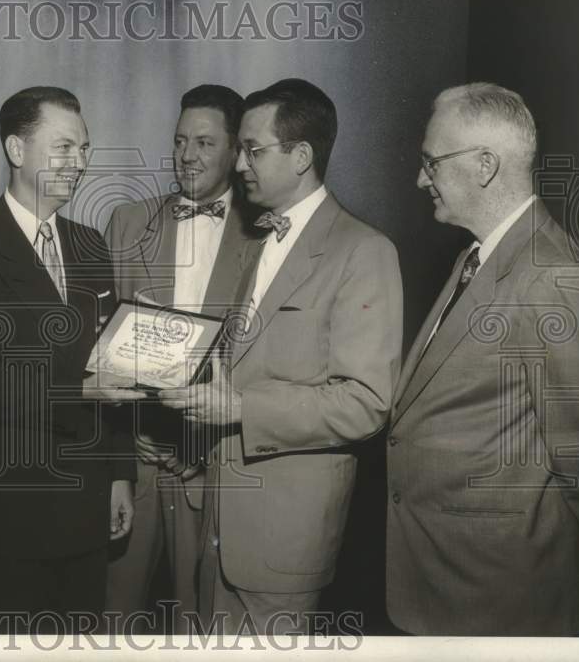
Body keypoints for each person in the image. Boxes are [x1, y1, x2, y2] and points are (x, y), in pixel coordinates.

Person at [159, 78, 403, 635]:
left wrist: (242, 410)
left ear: (301, 157)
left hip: (282, 543)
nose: (239, 164)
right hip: (220, 529)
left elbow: (366, 403)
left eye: (253, 149)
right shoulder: (261, 240)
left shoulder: (363, 252)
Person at [0, 86, 137, 632]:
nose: (80, 164)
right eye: (64, 148)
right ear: (16, 151)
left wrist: (120, 477)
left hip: (87, 511)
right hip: (6, 519)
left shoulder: (91, 247)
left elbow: (112, 365)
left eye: (85, 149)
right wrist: (77, 388)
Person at [386, 83, 579, 636]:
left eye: (431, 162)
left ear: (484, 165)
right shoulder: (478, 255)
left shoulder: (553, 277)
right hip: (441, 581)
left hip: (499, 601)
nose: (419, 179)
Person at [104, 84, 256, 629]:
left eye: (204, 142)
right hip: (134, 466)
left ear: (238, 151)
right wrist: (129, 434)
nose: (187, 155)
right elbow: (106, 352)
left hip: (213, 466)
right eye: (179, 140)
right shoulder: (125, 222)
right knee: (111, 616)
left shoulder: (266, 233)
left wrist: (201, 435)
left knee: (203, 623)